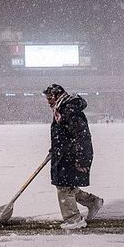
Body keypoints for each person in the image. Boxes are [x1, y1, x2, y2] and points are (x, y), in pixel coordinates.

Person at [43, 84, 104, 230]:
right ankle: (93, 202)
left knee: (64, 187)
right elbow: (64, 134)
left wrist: (82, 158)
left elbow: (82, 135)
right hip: (64, 153)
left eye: (50, 98)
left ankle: (74, 219)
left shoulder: (70, 111)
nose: (48, 101)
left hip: (72, 155)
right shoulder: (61, 109)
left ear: (58, 96)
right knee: (69, 186)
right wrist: (55, 148)